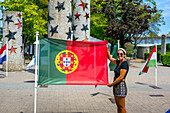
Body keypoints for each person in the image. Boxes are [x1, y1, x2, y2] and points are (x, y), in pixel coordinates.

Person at [107, 48, 129, 113]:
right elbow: (110, 58)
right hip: (116, 85)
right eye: (118, 54)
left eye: (121, 54)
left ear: (124, 55)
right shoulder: (118, 62)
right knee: (118, 105)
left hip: (120, 85)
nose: (119, 55)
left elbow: (121, 77)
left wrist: (112, 84)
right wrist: (106, 48)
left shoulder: (124, 64)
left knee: (122, 106)